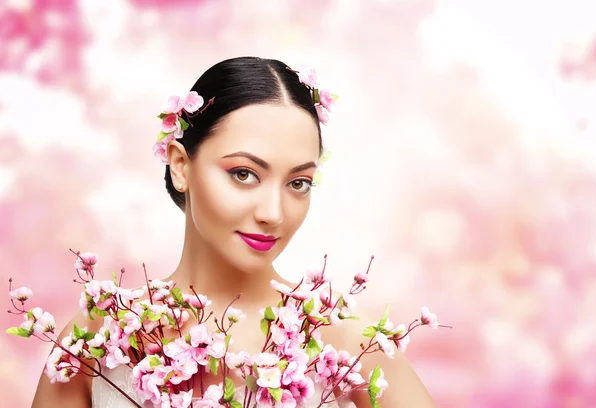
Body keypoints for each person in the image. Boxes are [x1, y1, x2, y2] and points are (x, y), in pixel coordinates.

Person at [31, 56, 437, 407]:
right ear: (180, 165)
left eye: (298, 183)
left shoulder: (345, 344)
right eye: (244, 174)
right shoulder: (101, 338)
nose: (273, 213)